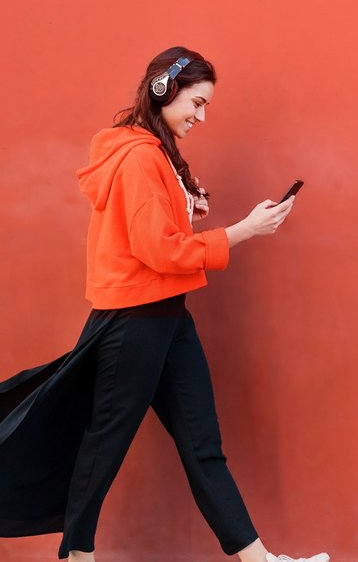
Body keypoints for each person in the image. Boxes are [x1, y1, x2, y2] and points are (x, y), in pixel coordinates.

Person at [0, 46, 329, 562]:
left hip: (167, 317)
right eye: (196, 103)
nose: (200, 117)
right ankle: (78, 557)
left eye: (206, 106)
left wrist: (185, 205)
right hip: (135, 321)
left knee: (202, 444)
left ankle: (259, 560)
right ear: (163, 89)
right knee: (104, 445)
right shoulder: (139, 158)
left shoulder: (154, 154)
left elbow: (153, 237)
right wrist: (242, 231)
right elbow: (157, 251)